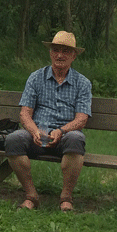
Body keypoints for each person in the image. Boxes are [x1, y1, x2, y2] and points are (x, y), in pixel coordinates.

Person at [5, 30, 92, 212]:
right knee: (13, 139)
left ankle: (66, 197)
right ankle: (31, 196)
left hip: (65, 136)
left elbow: (82, 119)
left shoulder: (83, 83)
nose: (60, 55)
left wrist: (61, 131)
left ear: (74, 56)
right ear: (50, 52)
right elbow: (25, 114)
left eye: (66, 51)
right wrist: (35, 131)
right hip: (37, 135)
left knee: (77, 139)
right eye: (56, 50)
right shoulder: (35, 78)